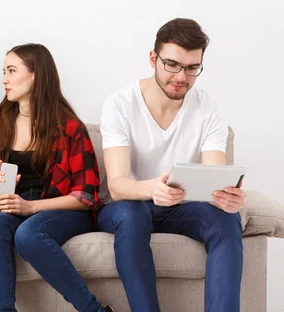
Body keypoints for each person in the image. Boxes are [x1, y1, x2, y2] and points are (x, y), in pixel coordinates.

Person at [98, 18, 247, 312]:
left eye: (192, 68)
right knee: (131, 212)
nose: (181, 76)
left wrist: (228, 196)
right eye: (172, 65)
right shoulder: (119, 105)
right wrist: (152, 188)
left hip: (182, 207)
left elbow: (215, 177)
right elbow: (116, 186)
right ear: (153, 59)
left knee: (228, 219)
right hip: (130, 204)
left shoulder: (207, 108)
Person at [0, 44, 113, 312]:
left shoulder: (70, 128)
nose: (4, 79)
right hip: (17, 205)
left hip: (60, 208)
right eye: (4, 71)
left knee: (29, 234)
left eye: (12, 71)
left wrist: (31, 207)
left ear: (36, 75)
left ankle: (93, 310)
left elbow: (86, 196)